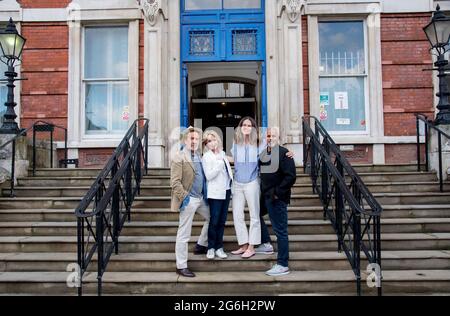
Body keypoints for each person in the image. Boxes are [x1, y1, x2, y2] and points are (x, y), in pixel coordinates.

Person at [171, 126, 210, 278]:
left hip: (200, 198)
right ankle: (181, 265)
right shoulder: (178, 157)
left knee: (212, 219)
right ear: (185, 140)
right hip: (188, 199)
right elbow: (174, 182)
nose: (194, 141)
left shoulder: (199, 155)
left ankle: (201, 244)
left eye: (196, 139)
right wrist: (184, 197)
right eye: (191, 138)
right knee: (184, 233)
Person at [259, 127, 296, 276]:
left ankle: (282, 264)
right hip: (265, 196)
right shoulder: (263, 154)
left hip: (277, 198)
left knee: (281, 231)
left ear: (278, 137)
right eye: (268, 135)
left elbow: (291, 177)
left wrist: (277, 193)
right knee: (257, 215)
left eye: (273, 135)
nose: (270, 138)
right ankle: (266, 243)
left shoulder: (284, 153)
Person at [230, 117, 262, 259]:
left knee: (254, 215)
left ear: (253, 128)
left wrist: (287, 154)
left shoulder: (259, 144)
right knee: (237, 215)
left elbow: (272, 153)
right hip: (237, 183)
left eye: (249, 125)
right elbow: (233, 160)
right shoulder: (236, 143)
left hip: (252, 182)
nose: (246, 127)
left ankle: (251, 246)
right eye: (244, 125)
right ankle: (243, 245)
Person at [202, 130, 233, 260]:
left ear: (218, 140)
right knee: (214, 221)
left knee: (222, 221)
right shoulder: (206, 157)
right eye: (209, 141)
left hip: (226, 191)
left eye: (214, 139)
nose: (212, 142)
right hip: (215, 193)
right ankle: (211, 248)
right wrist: (219, 164)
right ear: (206, 144)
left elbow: (228, 171)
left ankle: (219, 247)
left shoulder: (222, 154)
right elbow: (209, 176)